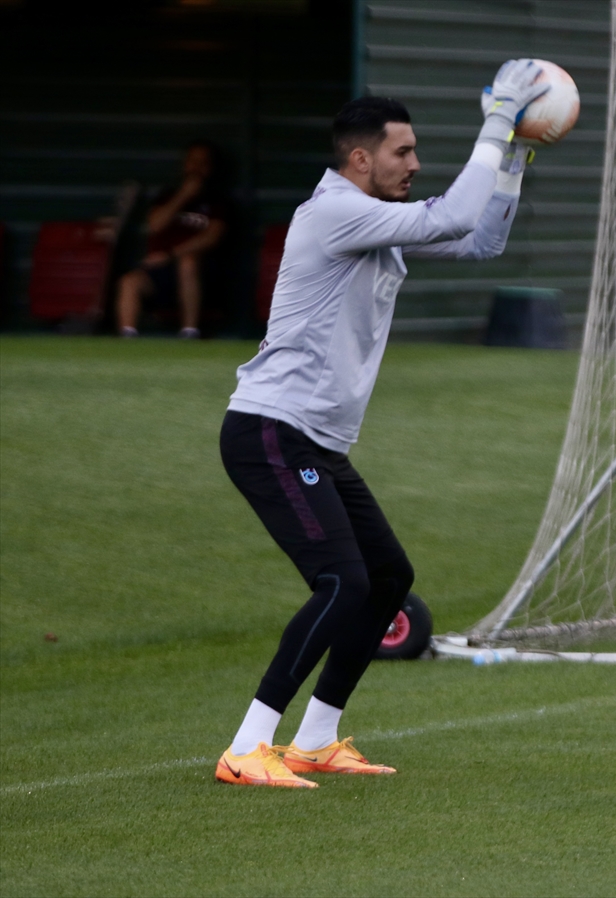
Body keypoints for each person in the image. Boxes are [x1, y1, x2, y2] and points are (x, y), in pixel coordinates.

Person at [213, 61, 549, 788]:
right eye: (403, 152)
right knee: (341, 580)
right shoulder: (334, 213)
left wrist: (518, 152)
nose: (416, 164)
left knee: (388, 577)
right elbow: (454, 215)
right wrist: (497, 119)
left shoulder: (376, 223)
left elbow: (478, 240)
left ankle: (315, 740)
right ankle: (246, 747)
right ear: (360, 159)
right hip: (271, 429)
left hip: (316, 442)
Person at [115, 140, 228, 339]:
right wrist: (184, 195)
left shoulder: (217, 201)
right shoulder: (166, 196)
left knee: (188, 262)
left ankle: (189, 332)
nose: (196, 167)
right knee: (129, 281)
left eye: (203, 163)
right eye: (192, 161)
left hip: (200, 275)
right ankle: (128, 336)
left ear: (210, 168)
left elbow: (212, 237)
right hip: (160, 272)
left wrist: (170, 255)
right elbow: (154, 225)